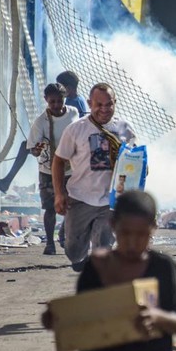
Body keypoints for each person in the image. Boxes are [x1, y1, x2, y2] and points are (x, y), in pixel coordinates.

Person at [41, 190, 176, 351]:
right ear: (112, 225)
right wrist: (54, 318)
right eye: (125, 233)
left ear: (153, 228)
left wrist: (157, 317)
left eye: (141, 234)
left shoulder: (162, 267)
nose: (132, 243)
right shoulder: (96, 267)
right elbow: (79, 317)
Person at [53, 83, 137, 271]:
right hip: (81, 198)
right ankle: (72, 239)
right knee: (73, 250)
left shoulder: (124, 129)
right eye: (99, 105)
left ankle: (98, 279)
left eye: (109, 105)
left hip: (111, 201)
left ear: (115, 103)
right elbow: (58, 161)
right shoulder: (76, 129)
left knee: (103, 246)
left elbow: (134, 162)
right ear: (90, 104)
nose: (105, 109)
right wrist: (59, 194)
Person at [27, 83, 79, 254]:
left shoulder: (73, 113)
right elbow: (33, 151)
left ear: (65, 99)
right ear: (46, 101)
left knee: (73, 205)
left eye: (59, 101)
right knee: (50, 208)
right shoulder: (40, 122)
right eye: (52, 102)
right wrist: (37, 149)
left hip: (72, 169)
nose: (56, 105)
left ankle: (63, 233)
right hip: (48, 170)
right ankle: (50, 243)